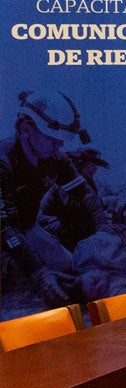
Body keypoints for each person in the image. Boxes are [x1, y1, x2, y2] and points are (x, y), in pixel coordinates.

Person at [0, 91, 108, 310]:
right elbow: (5, 227)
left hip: (26, 228)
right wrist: (39, 273)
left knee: (71, 266)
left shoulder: (55, 158)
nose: (59, 145)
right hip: (4, 232)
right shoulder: (4, 162)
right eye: (52, 138)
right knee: (21, 277)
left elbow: (86, 195)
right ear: (26, 130)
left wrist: (105, 231)